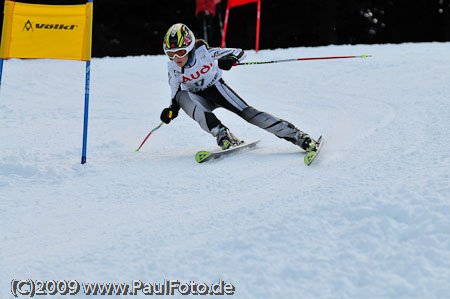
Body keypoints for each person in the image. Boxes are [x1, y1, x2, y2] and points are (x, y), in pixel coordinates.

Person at [160, 23, 318, 152]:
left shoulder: (205, 54)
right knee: (181, 97)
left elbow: (240, 53)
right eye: (171, 54)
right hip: (199, 99)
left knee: (249, 114)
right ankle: (222, 134)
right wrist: (172, 109)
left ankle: (298, 136)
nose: (176, 58)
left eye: (180, 52)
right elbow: (175, 91)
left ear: (189, 48)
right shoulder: (173, 68)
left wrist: (228, 59)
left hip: (217, 90)